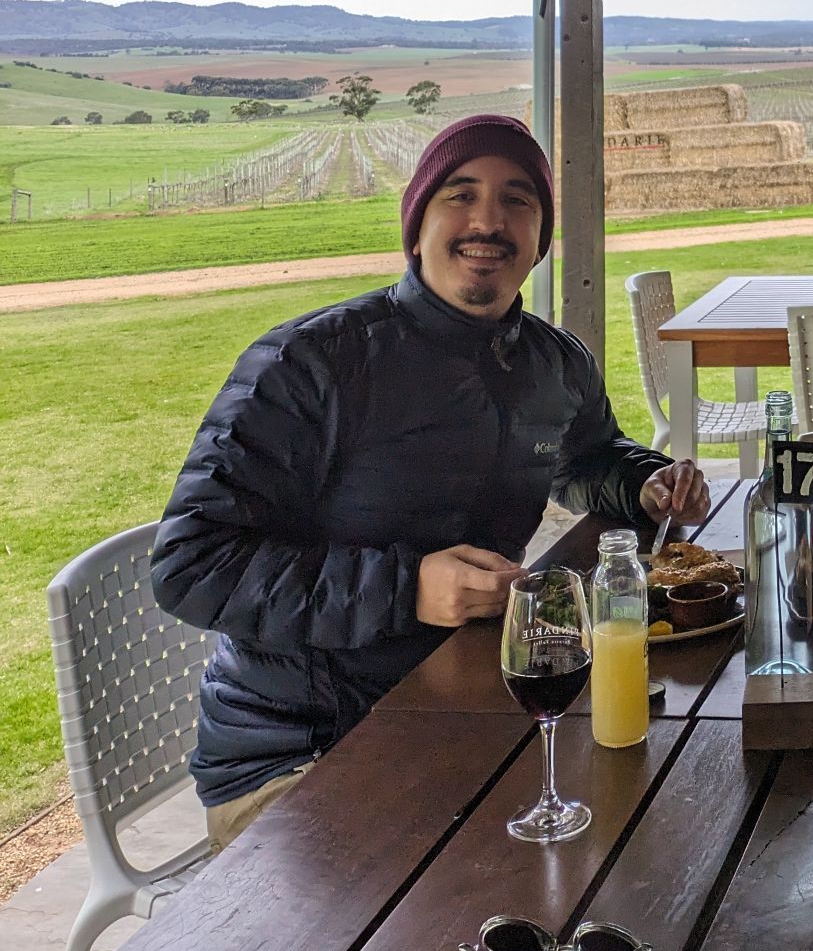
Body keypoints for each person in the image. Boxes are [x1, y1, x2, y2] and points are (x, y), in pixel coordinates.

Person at [152, 113, 707, 850]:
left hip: (470, 702)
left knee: (648, 831)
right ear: (416, 227)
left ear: (541, 238)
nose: (488, 220)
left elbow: (584, 457)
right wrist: (408, 586)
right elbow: (192, 565)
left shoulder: (553, 361)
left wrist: (643, 483)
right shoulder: (312, 364)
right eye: (459, 194)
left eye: (518, 200)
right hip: (303, 751)